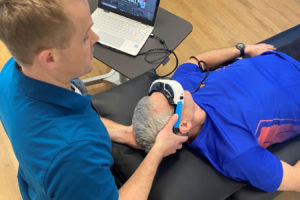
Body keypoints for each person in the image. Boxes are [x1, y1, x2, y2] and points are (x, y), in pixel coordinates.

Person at [0, 0, 188, 199]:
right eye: (84, 37)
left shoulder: (11, 72)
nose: (95, 38)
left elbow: (77, 120)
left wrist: (126, 134)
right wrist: (158, 151)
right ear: (49, 58)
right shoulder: (74, 157)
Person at [132, 43, 300, 193]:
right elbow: (296, 181)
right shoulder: (235, 152)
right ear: (183, 125)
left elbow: (196, 60)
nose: (173, 86)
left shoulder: (182, 83)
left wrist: (244, 48)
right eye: (170, 95)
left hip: (280, 55)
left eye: (160, 89)